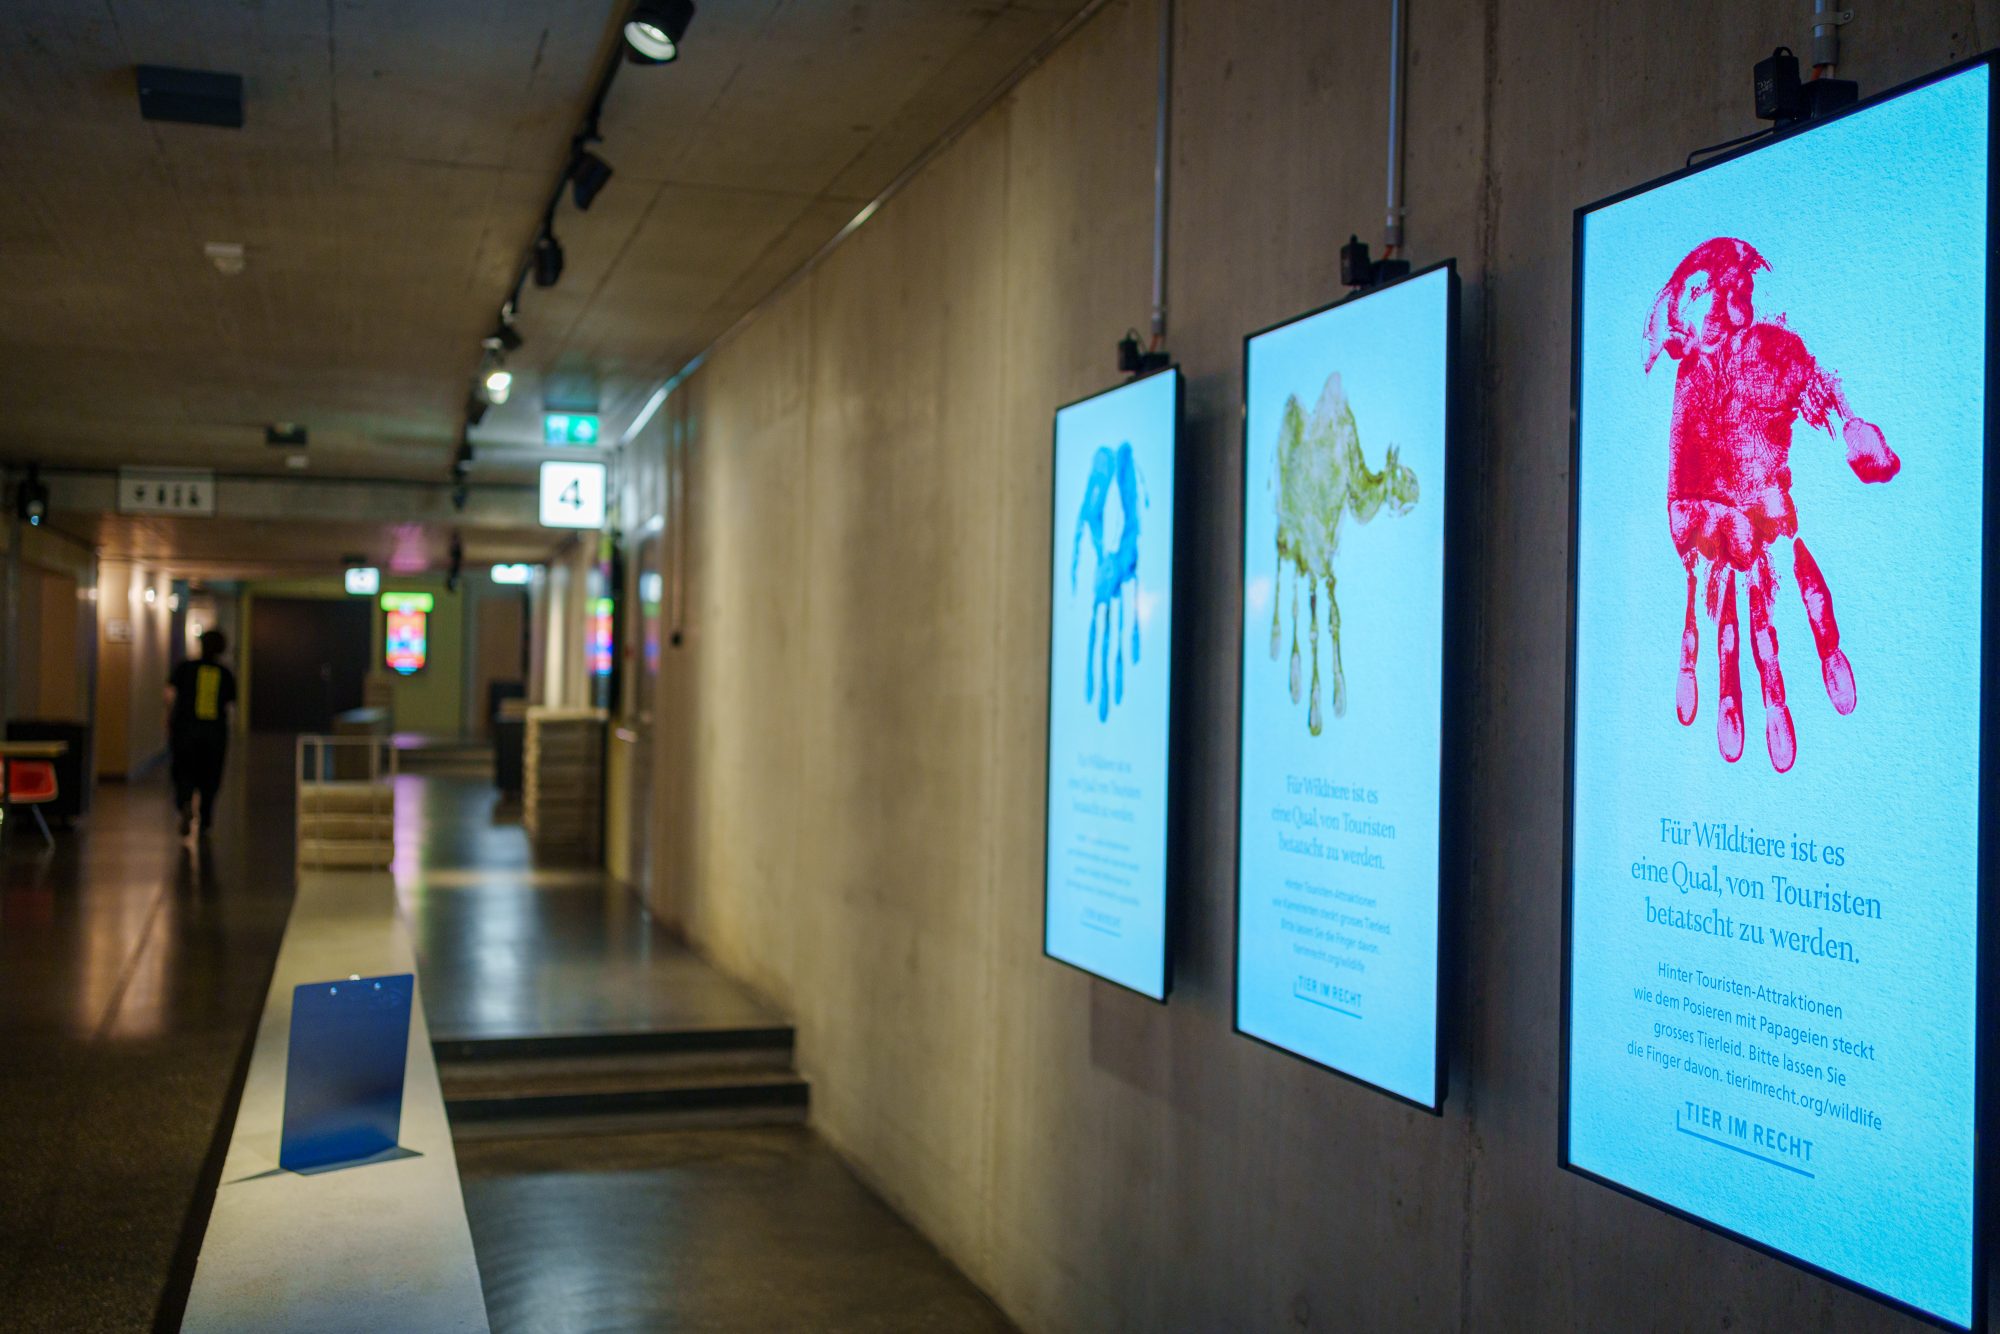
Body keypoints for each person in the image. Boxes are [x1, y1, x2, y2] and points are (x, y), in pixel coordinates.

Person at [166, 630, 237, 837]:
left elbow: (169, 695)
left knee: (183, 772)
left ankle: (185, 803)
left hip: (185, 731)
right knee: (210, 778)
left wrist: (169, 720)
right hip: (214, 734)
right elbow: (231, 705)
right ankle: (205, 821)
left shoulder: (185, 668)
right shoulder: (225, 674)